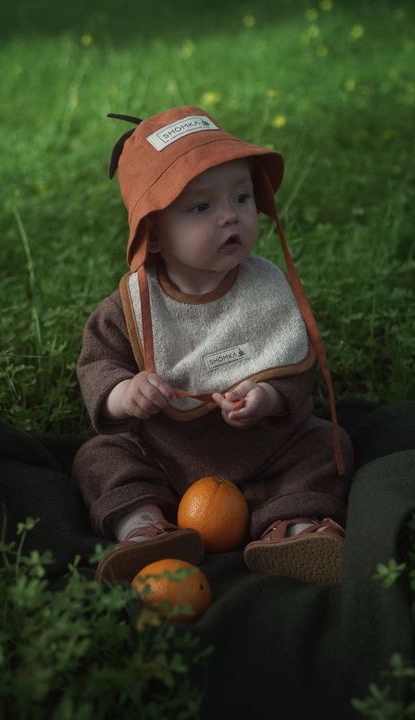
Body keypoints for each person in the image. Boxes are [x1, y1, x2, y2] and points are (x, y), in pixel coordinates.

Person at [72, 105, 353, 586]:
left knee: (328, 442)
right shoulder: (132, 306)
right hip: (165, 455)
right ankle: (145, 528)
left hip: (265, 447)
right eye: (201, 208)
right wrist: (124, 394)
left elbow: (293, 362)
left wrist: (269, 397)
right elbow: (99, 363)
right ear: (153, 234)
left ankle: (291, 525)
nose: (230, 216)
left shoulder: (265, 288)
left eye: (242, 197)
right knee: (98, 456)